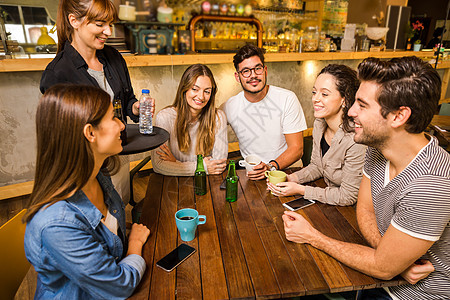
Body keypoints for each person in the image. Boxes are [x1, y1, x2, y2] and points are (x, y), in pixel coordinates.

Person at [283, 56, 449, 299]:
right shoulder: (377, 147)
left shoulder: (430, 185)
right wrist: (390, 258)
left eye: (362, 104)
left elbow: (382, 268)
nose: (350, 111)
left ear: (398, 116)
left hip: (411, 295)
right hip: (381, 277)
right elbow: (364, 210)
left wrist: (313, 236)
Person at [24, 85, 150, 299]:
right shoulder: (58, 224)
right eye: (113, 118)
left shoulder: (98, 176)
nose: (122, 125)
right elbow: (119, 285)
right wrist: (135, 244)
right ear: (90, 133)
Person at [39, 0, 154, 203]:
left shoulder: (114, 58)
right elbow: (62, 138)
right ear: (74, 21)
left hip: (118, 153)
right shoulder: (58, 73)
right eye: (100, 24)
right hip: (86, 170)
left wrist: (136, 108)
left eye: (110, 24)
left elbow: (126, 101)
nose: (108, 31)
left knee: (118, 210)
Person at [267, 64, 366, 206]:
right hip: (329, 201)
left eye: (324, 94)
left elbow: (347, 196)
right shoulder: (320, 124)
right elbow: (317, 166)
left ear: (344, 99)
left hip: (353, 210)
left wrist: (301, 190)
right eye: (314, 92)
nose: (315, 99)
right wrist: (292, 178)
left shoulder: (356, 139)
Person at [222, 44, 307, 180]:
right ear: (237, 77)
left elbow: (297, 149)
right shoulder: (230, 106)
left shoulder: (286, 98)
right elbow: (206, 122)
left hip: (289, 172)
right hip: (253, 175)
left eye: (258, 68)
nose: (253, 75)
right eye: (246, 71)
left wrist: (270, 167)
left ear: (265, 70)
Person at [151, 64, 228, 176]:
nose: (201, 97)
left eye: (207, 91)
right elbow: (158, 165)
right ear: (184, 89)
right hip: (173, 183)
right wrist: (203, 167)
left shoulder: (218, 117)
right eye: (195, 89)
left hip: (206, 182)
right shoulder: (165, 117)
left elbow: (219, 165)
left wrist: (176, 163)